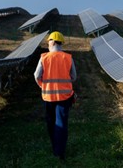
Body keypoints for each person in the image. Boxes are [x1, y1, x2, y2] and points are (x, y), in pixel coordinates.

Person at [34, 31, 77, 160]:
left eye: (48, 42)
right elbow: (74, 77)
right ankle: (60, 152)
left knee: (51, 123)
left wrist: (43, 85)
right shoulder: (68, 57)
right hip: (65, 97)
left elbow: (36, 75)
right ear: (61, 43)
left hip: (48, 97)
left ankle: (55, 148)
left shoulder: (44, 57)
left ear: (52, 42)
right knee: (62, 123)